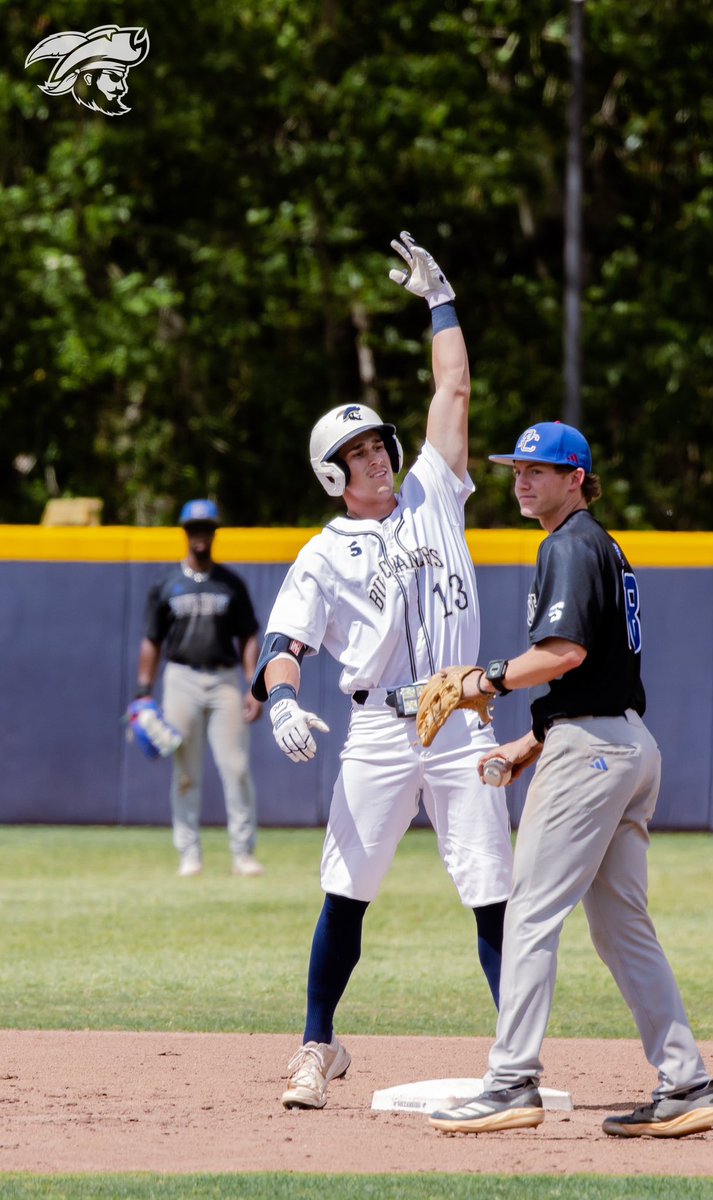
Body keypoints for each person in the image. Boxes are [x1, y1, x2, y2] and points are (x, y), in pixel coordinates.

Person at [251, 232, 513, 1111]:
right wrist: (283, 701)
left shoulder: (439, 488)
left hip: (463, 717)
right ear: (335, 475)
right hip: (377, 727)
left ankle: (516, 1055)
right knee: (345, 892)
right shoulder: (322, 553)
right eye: (360, 454)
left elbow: (454, 387)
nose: (379, 457)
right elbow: (283, 648)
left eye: (380, 444)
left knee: (491, 891)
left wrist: (441, 300)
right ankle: (316, 1047)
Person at [427, 422, 713, 1138]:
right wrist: (532, 742)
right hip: (623, 743)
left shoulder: (568, 543)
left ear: (576, 478)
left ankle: (511, 1081)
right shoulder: (605, 548)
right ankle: (686, 1081)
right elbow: (596, 672)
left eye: (539, 469)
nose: (522, 480)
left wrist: (485, 678)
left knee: (529, 911)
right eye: (516, 469)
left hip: (593, 752)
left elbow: (563, 653)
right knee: (624, 928)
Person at [134, 499, 265, 877]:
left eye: (206, 529)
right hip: (181, 678)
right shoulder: (167, 584)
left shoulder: (231, 583)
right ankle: (188, 852)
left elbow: (249, 635)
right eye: (194, 530)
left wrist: (253, 684)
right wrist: (144, 690)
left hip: (224, 679)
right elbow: (151, 640)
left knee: (237, 768)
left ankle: (243, 852)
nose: (200, 536)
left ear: (214, 533)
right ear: (185, 534)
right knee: (186, 771)